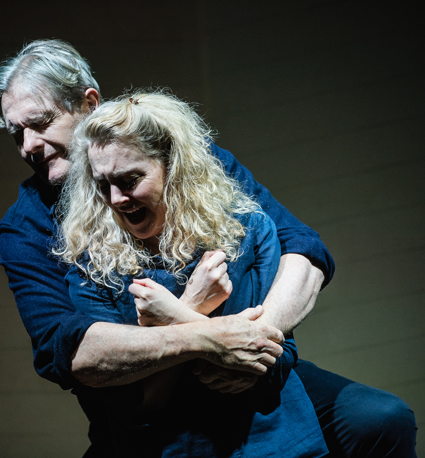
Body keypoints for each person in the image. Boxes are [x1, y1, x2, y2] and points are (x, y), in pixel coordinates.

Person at [0, 39, 417, 457]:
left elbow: (301, 247)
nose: (28, 146)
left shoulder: (190, 160)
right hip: (141, 403)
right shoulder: (27, 228)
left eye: (39, 123)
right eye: (16, 133)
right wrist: (206, 332)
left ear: (89, 103)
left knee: (379, 419)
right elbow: (70, 349)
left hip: (253, 368)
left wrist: (250, 345)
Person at [56, 90, 327, 457]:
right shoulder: (92, 268)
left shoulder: (247, 232)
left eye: (130, 179)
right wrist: (195, 308)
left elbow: (266, 367)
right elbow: (141, 406)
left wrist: (173, 318)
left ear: (173, 167)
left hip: (276, 443)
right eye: (102, 184)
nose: (116, 198)